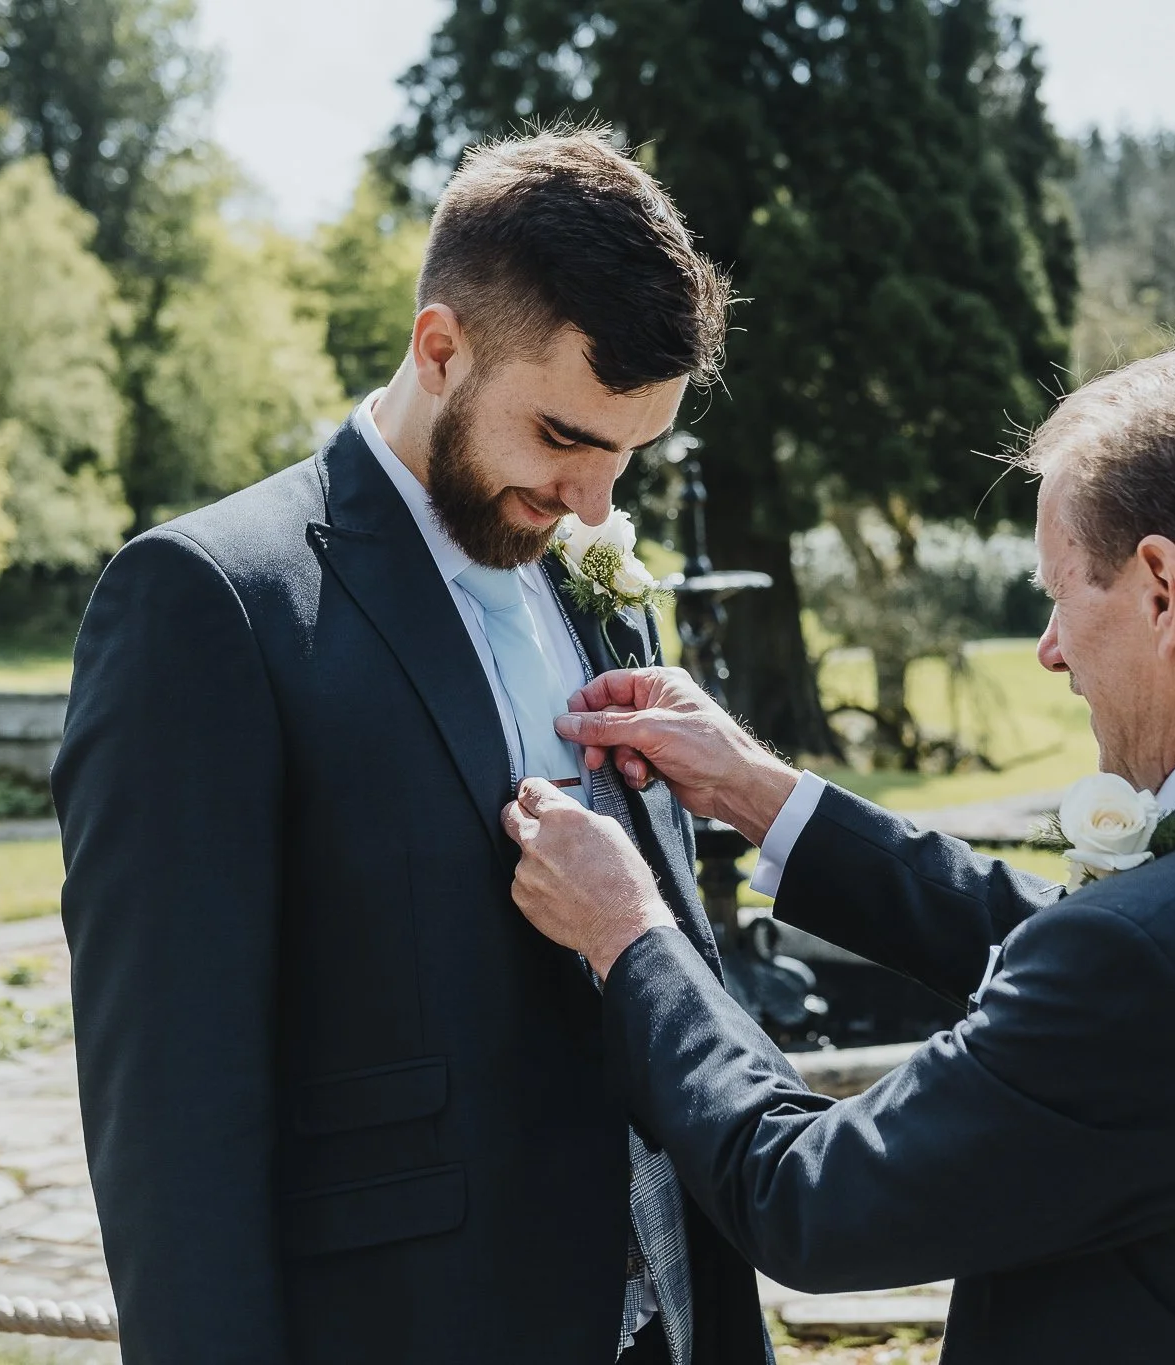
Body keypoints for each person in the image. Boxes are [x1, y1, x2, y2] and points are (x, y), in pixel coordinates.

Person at [503, 340, 1175, 1363]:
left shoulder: (1159, 970)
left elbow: (806, 1200)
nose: (1051, 650)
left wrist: (631, 934)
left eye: (1059, 597)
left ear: (1163, 589)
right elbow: (1149, 983)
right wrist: (760, 794)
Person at [53, 130, 770, 1364]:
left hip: (681, 1312)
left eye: (624, 456)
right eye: (560, 437)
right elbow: (170, 1119)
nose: (591, 503)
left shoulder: (601, 586)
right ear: (440, 348)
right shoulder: (207, 601)